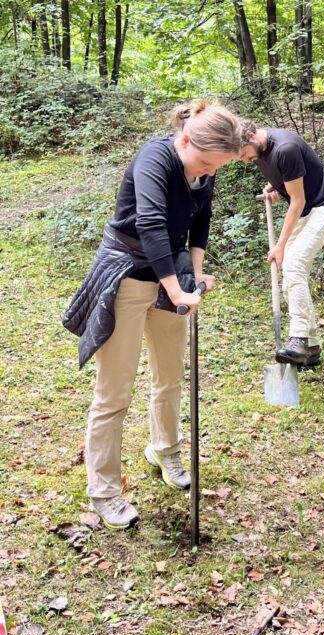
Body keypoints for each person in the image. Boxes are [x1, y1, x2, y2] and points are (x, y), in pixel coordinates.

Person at [63, 99, 242, 530]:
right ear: (184, 140)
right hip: (126, 275)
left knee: (170, 376)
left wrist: (194, 279)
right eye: (204, 163)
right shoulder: (154, 158)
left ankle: (165, 450)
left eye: (217, 167)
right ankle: (104, 491)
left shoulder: (204, 169)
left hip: (171, 275)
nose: (208, 172)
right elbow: (150, 224)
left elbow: (199, 224)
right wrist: (176, 288)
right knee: (114, 392)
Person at [240, 122, 324, 367]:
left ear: (251, 136)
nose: (244, 160)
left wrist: (280, 245)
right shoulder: (260, 150)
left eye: (242, 154)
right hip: (307, 212)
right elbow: (290, 180)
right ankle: (312, 347)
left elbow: (297, 200)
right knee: (290, 277)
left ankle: (298, 337)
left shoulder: (285, 148)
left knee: (293, 262)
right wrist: (275, 186)